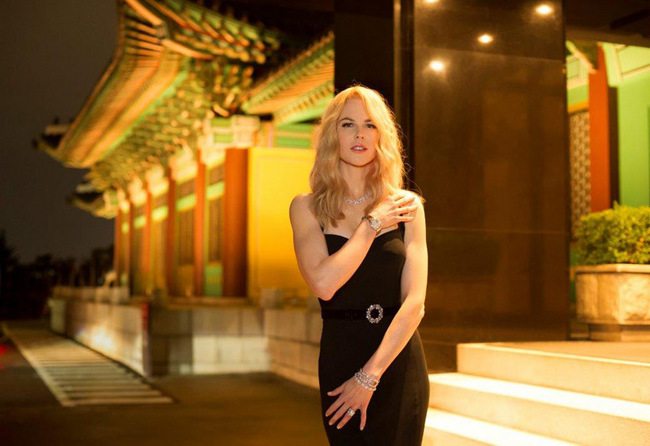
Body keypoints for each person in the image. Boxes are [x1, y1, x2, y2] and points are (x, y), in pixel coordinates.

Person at [289, 85, 429, 445]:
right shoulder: (306, 208)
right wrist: (372, 224)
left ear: (381, 135)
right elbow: (324, 285)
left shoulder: (407, 206)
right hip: (341, 355)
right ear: (331, 134)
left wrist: (369, 377)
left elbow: (415, 303)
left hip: (396, 359)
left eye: (370, 125)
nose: (360, 135)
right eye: (348, 124)